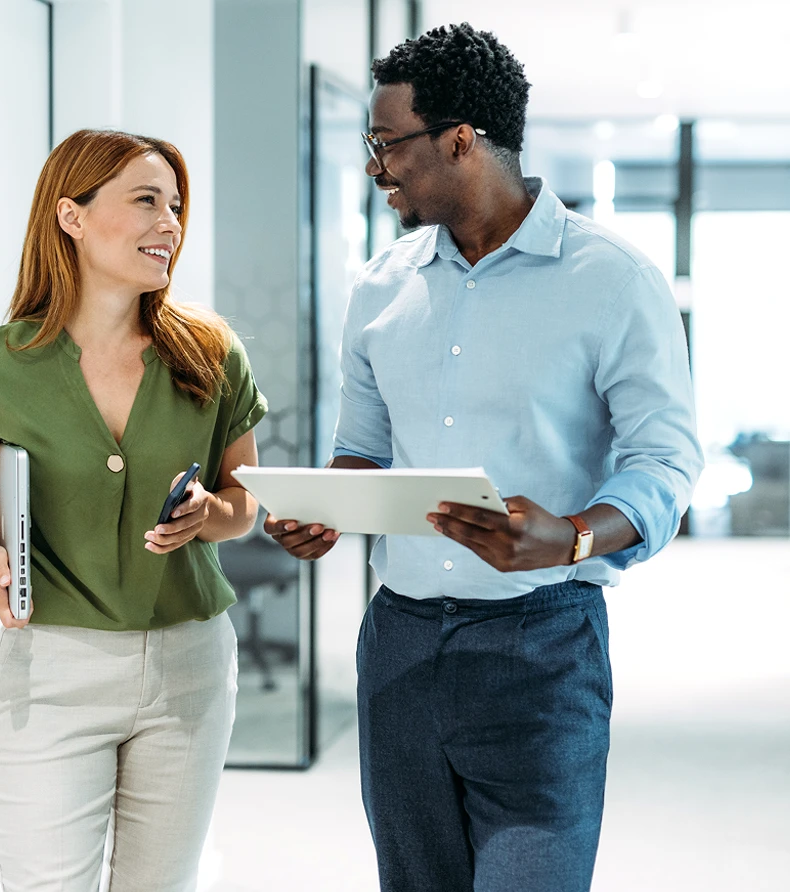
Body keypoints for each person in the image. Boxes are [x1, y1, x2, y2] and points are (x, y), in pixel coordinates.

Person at [265, 22, 703, 892]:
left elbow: (666, 461)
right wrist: (326, 506)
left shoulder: (612, 280)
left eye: (387, 145)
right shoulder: (380, 288)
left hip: (543, 647)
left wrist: (572, 536)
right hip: (400, 644)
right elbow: (363, 448)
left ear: (459, 141)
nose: (373, 167)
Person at [0, 129, 267, 892]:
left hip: (189, 667)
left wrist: (209, 514)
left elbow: (246, 501)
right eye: (146, 200)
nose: (170, 224)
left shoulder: (211, 352)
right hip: (50, 669)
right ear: (72, 217)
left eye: (176, 205)